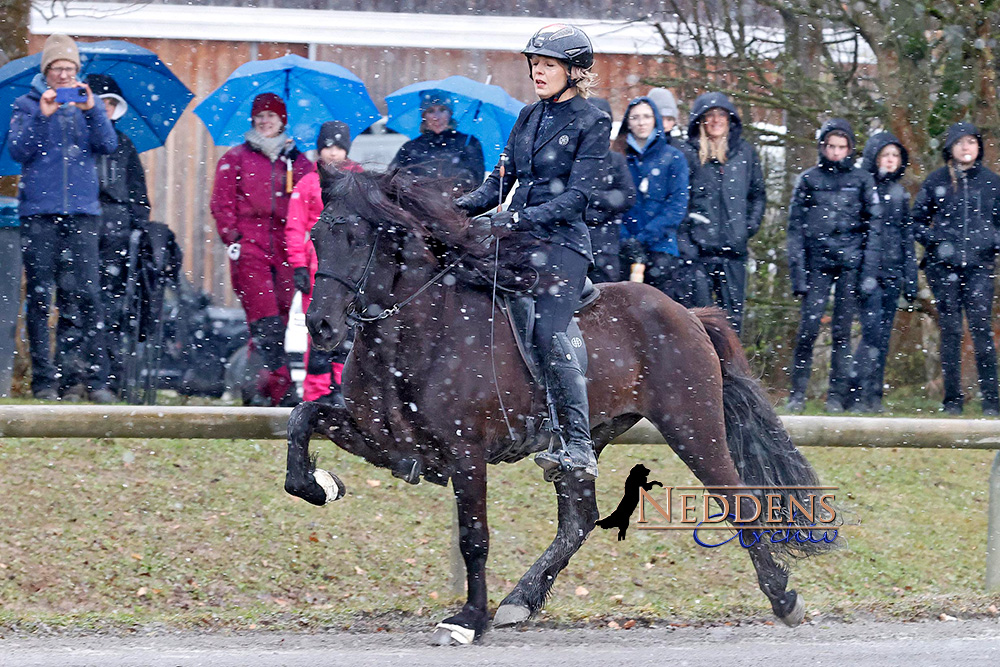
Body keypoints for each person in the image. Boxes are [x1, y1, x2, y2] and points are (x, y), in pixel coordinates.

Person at [455, 23, 608, 480]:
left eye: (548, 65)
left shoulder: (593, 120)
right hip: (516, 238)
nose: (538, 72)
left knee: (545, 332)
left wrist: (518, 218)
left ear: (574, 71)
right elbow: (499, 181)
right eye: (535, 64)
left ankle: (578, 443)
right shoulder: (527, 115)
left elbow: (580, 197)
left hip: (561, 242)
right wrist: (454, 208)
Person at [7, 34, 117, 403]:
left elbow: (108, 145)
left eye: (70, 69)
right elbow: (19, 149)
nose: (64, 76)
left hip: (83, 213)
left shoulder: (90, 107)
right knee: (41, 298)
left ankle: (91, 379)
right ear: (47, 72)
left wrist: (94, 109)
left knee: (85, 294)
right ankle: (44, 381)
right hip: (39, 213)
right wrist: (43, 114)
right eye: (58, 69)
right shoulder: (26, 105)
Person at [210, 92, 313, 407]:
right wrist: (234, 238)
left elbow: (312, 201)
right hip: (251, 248)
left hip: (287, 249)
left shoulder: (298, 161)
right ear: (253, 120)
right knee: (263, 321)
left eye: (272, 116)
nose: (265, 121)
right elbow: (221, 204)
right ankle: (258, 387)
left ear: (282, 121)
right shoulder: (235, 158)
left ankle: (278, 390)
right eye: (260, 116)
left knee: (285, 321)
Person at [786, 118, 882, 413]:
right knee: (808, 329)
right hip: (817, 264)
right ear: (823, 147)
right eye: (831, 146)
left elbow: (874, 228)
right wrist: (798, 275)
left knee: (842, 333)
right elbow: (794, 230)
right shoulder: (808, 180)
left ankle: (837, 397)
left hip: (850, 265)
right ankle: (797, 393)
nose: (836, 152)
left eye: (842, 147)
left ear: (850, 149)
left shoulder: (863, 181)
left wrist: (868, 273)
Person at [912, 122, 1000, 416]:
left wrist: (991, 242)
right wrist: (937, 241)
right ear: (950, 147)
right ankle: (952, 401)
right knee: (950, 333)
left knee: (982, 332)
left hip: (979, 268)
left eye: (972, 142)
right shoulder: (936, 180)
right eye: (960, 142)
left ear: (979, 148)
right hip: (943, 268)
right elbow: (915, 222)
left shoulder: (991, 182)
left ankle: (991, 400)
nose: (966, 147)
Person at [286, 121, 363, 404]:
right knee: (319, 330)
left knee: (351, 330)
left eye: (338, 147)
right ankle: (316, 392)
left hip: (352, 271)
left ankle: (345, 389)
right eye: (328, 147)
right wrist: (298, 265)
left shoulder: (359, 181)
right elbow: (294, 228)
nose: (333, 153)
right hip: (318, 268)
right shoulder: (308, 183)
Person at [678, 92, 766, 333]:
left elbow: (757, 195)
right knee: (699, 323)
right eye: (710, 115)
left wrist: (746, 228)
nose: (716, 120)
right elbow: (679, 200)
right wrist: (689, 238)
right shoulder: (688, 154)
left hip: (734, 253)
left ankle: (729, 371)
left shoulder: (745, 153)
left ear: (730, 120)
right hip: (699, 253)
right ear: (700, 120)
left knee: (732, 325)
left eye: (721, 115)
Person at [86, 73, 152, 395]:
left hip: (116, 234)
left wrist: (135, 227)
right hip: (83, 228)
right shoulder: (76, 141)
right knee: (78, 301)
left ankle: (109, 378)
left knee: (112, 308)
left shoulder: (124, 145)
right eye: (101, 103)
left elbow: (139, 195)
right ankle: (74, 378)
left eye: (111, 104)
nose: (106, 109)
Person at [849, 132, 918, 413]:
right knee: (870, 334)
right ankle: (854, 394)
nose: (890, 160)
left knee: (883, 338)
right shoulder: (864, 188)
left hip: (893, 274)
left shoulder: (901, 194)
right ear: (875, 157)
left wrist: (910, 279)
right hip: (867, 273)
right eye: (885, 155)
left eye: (895, 156)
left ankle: (874, 396)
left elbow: (907, 240)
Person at [614, 95, 690, 298]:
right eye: (635, 117)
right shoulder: (617, 156)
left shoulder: (673, 158)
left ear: (655, 119)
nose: (641, 122)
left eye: (647, 116)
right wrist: (626, 240)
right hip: (622, 249)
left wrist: (644, 238)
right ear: (627, 123)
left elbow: (677, 206)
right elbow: (610, 204)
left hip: (661, 248)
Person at [389, 92, 485, 193]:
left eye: (442, 110)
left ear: (450, 114)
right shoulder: (410, 148)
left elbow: (476, 181)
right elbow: (392, 179)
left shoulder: (468, 143)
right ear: (424, 116)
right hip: (417, 206)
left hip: (456, 206)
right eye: (431, 111)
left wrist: (459, 178)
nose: (436, 117)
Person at [585, 97, 635, 283]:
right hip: (574, 244)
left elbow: (627, 197)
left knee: (606, 300)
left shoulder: (615, 160)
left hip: (606, 246)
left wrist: (591, 197)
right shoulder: (569, 160)